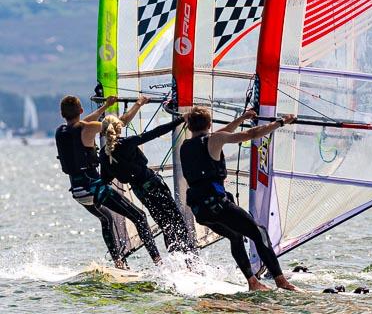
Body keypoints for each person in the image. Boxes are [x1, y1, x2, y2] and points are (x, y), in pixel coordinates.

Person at [180, 105, 298, 292]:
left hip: (200, 210)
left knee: (235, 236)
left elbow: (220, 134)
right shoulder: (214, 139)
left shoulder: (186, 146)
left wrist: (241, 118)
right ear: (210, 123)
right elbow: (251, 134)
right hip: (218, 205)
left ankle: (253, 282)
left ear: (189, 127)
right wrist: (281, 122)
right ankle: (281, 282)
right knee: (259, 233)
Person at [55, 95, 162, 269]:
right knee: (140, 217)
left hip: (78, 192)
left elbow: (82, 124)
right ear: (81, 111)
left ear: (62, 114)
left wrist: (105, 106)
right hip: (93, 189)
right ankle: (159, 263)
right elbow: (121, 123)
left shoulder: (60, 131)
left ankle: (119, 263)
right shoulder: (87, 128)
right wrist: (138, 104)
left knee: (106, 220)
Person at [99, 95, 195, 255]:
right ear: (119, 128)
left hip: (140, 192)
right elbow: (156, 132)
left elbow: (105, 179)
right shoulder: (126, 143)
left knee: (165, 225)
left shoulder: (104, 154)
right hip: (153, 185)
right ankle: (189, 258)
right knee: (176, 220)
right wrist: (180, 120)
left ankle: (174, 259)